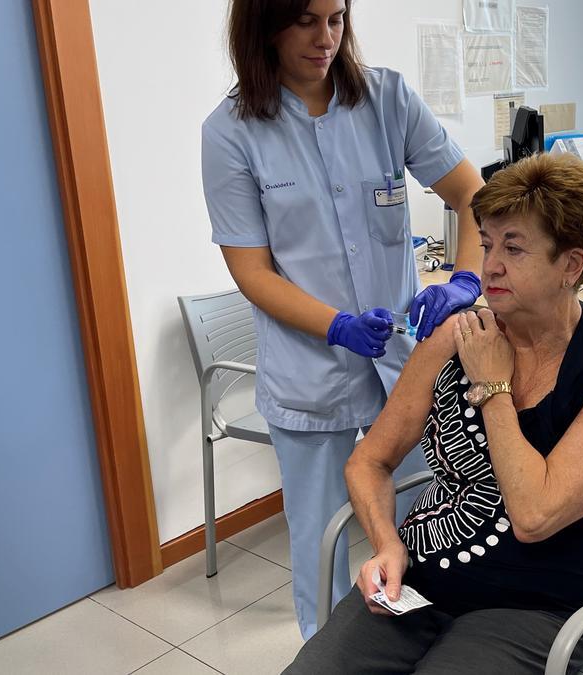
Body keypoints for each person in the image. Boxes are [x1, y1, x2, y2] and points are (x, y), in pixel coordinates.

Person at [282, 153, 583, 674]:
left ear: (572, 265)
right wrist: (386, 545)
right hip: (418, 578)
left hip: (535, 605)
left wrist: (492, 385)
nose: (490, 266)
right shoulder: (456, 335)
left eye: (514, 248)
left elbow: (533, 516)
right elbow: (368, 461)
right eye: (487, 244)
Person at [200, 0, 484, 639]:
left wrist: (465, 281)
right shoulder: (231, 131)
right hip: (309, 372)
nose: (325, 37)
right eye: (305, 20)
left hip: (404, 366)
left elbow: (472, 195)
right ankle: (327, 653)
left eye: (335, 18)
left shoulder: (387, 99)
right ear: (264, 25)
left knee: (428, 521)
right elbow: (253, 272)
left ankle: (426, 646)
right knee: (319, 539)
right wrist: (336, 326)